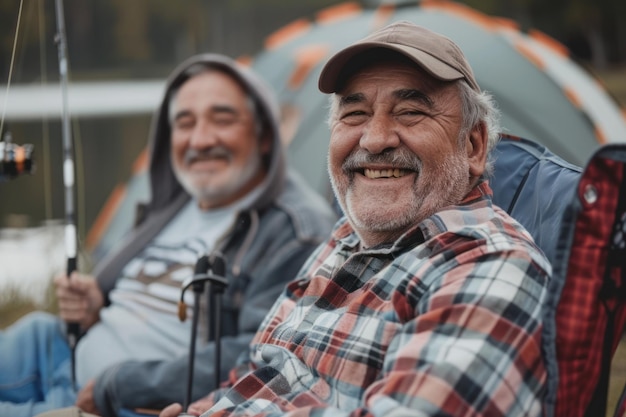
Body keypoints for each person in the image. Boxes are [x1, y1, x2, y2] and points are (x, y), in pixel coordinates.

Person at [161, 21, 552, 417]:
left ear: (473, 145)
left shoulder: (490, 264)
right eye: (355, 113)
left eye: (411, 112)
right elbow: (262, 372)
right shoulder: (347, 237)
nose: (375, 138)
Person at [0, 53, 336, 417]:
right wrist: (96, 305)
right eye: (184, 123)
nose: (201, 139)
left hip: (125, 404)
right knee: (36, 328)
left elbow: (263, 356)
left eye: (222, 119)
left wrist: (123, 385)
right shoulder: (172, 203)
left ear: (265, 135)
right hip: (54, 349)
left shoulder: (295, 230)